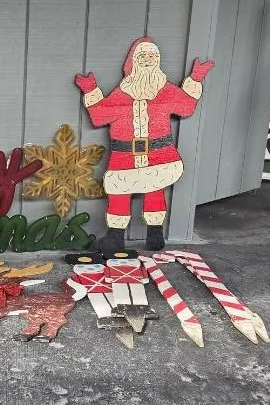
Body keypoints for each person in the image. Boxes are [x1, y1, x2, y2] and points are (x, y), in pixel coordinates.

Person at [74, 36, 213, 252]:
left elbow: (185, 106)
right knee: (119, 194)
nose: (148, 60)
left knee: (155, 191)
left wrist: (195, 79)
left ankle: (155, 236)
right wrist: (91, 89)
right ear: (133, 61)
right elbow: (100, 116)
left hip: (159, 154)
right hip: (125, 156)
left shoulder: (165, 90)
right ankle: (115, 239)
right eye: (143, 56)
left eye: (152, 56)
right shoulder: (122, 92)